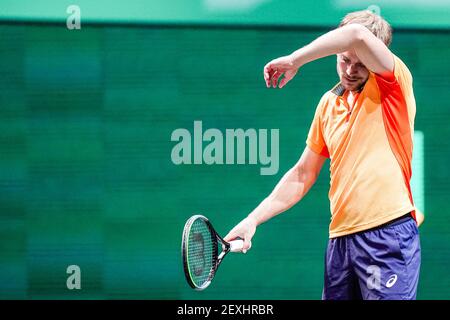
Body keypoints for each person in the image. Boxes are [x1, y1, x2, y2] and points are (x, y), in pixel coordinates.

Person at [224, 10, 421, 300]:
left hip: (387, 236)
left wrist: (295, 60)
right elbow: (303, 174)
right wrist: (253, 219)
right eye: (344, 59)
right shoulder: (329, 104)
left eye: (361, 63)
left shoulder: (393, 86)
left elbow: (356, 35)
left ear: (376, 57)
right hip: (340, 242)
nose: (351, 70)